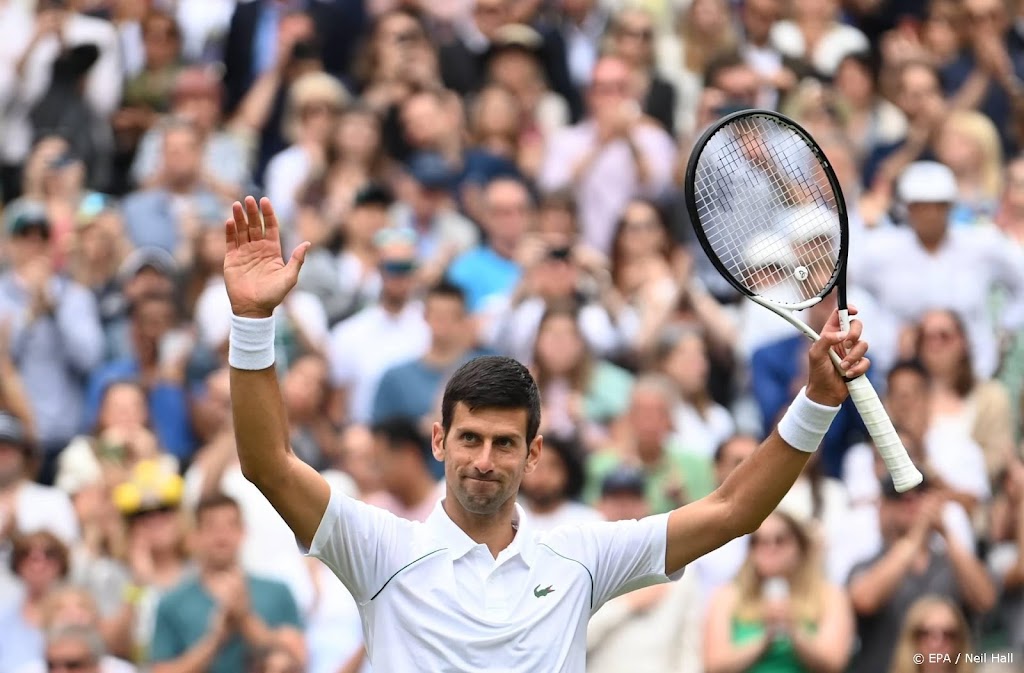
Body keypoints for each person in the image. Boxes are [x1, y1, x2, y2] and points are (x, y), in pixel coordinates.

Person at [221, 195, 872, 671]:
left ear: (534, 452)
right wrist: (253, 322)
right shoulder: (379, 548)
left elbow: (734, 509)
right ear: (438, 441)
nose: (484, 458)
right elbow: (269, 465)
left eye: (505, 443)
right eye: (470, 438)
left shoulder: (579, 557)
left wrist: (816, 399)